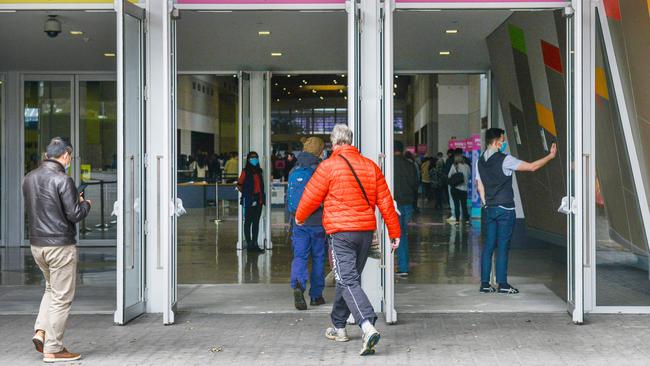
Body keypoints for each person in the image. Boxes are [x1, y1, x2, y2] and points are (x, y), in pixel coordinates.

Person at [295, 124, 400, 356]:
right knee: (346, 280)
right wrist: (395, 232)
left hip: (341, 233)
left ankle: (366, 325)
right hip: (364, 233)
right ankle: (339, 326)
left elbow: (310, 196)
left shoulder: (328, 166)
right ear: (350, 141)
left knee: (348, 280)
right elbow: (385, 201)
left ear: (334, 143)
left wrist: (300, 217)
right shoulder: (370, 166)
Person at [22, 137, 92, 363]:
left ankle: (41, 331)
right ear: (66, 156)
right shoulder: (63, 180)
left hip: (37, 245)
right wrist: (86, 204)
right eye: (69, 157)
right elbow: (75, 214)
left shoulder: (29, 178)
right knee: (62, 298)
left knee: (51, 290)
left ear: (45, 156)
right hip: (60, 247)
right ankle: (53, 349)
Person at [476, 128, 557, 294]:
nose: (504, 142)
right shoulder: (505, 160)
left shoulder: (480, 161)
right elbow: (532, 167)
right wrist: (550, 156)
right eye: (503, 139)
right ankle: (503, 284)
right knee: (503, 246)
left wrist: (486, 203)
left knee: (489, 246)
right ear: (497, 140)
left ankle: (485, 284)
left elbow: (480, 186)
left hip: (490, 208)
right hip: (505, 208)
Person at [287, 137, 327, 310]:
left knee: (300, 256)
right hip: (317, 221)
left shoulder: (294, 169)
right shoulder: (321, 169)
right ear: (320, 151)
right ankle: (316, 296)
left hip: (299, 221)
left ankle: (298, 285)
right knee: (318, 258)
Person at [393, 141, 419, 276]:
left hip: (393, 204)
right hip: (407, 204)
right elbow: (416, 184)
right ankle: (403, 267)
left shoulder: (388, 166)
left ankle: (391, 267)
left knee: (393, 235)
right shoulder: (410, 165)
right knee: (402, 235)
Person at [237, 152, 266, 252]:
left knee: (256, 223)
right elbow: (239, 185)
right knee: (248, 222)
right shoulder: (245, 171)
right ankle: (249, 244)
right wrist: (247, 193)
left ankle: (255, 243)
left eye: (256, 157)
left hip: (259, 200)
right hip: (249, 200)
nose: (255, 159)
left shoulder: (259, 171)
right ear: (248, 160)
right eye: (252, 158)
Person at [448, 151, 471, 224]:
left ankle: (457, 220)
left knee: (456, 205)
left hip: (455, 189)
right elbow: (469, 175)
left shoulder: (454, 166)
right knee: (464, 205)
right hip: (464, 189)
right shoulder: (467, 166)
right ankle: (467, 220)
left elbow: (449, 176)